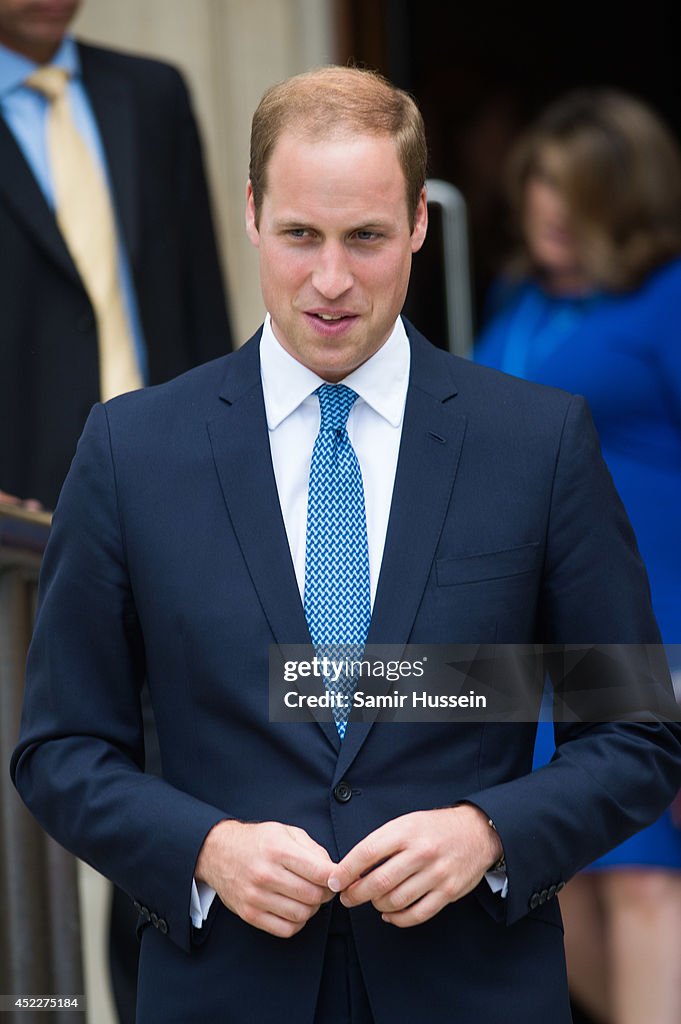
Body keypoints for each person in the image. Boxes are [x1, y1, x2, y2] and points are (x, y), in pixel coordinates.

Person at [10, 67, 681, 1024]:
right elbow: (61, 747)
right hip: (226, 988)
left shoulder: (537, 443)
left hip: (471, 989)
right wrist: (204, 849)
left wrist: (490, 831)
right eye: (299, 236)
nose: (330, 281)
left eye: (365, 237)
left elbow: (634, 730)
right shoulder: (130, 449)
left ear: (417, 221)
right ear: (251, 214)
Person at [0, 2, 232, 1019]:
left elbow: (198, 298)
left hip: (173, 505)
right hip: (18, 531)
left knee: (181, 789)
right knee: (38, 801)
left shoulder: (153, 93)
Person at [474, 89, 681, 1024]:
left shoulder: (666, 297)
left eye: (575, 189)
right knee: (560, 879)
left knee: (638, 879)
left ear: (623, 198)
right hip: (527, 632)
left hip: (645, 619)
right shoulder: (515, 297)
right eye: (539, 184)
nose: (549, 209)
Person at [0, 0, 232, 510]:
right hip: (21, 497)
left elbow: (201, 295)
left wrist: (230, 443)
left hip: (169, 470)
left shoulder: (154, 95)